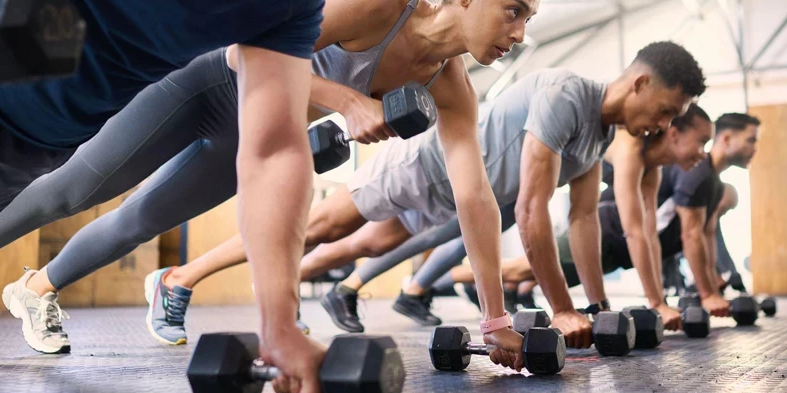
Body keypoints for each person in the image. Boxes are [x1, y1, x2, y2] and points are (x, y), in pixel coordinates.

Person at [0, 0, 566, 372]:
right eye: (513, 11)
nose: (518, 34)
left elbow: (475, 198)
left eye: (528, 19)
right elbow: (245, 54)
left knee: (140, 221)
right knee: (73, 188)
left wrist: (493, 320)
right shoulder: (377, 4)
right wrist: (347, 100)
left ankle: (34, 290)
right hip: (209, 85)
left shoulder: (452, 86)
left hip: (256, 136)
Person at [293, 42, 706, 347]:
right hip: (428, 163)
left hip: (470, 194)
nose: (663, 123)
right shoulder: (566, 95)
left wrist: (596, 309)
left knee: (367, 242)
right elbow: (531, 208)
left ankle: (312, 283)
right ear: (641, 83)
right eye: (667, 110)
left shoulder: (601, 136)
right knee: (326, 227)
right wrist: (562, 308)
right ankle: (278, 282)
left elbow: (583, 220)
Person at [340, 104, 714, 331]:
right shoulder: (628, 143)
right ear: (672, 129)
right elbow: (635, 231)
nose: (702, 152)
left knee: (452, 242)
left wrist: (655, 301)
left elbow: (644, 230)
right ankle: (360, 286)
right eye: (665, 112)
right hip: (508, 175)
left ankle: (414, 290)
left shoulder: (655, 165)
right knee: (429, 236)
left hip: (523, 184)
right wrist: (656, 303)